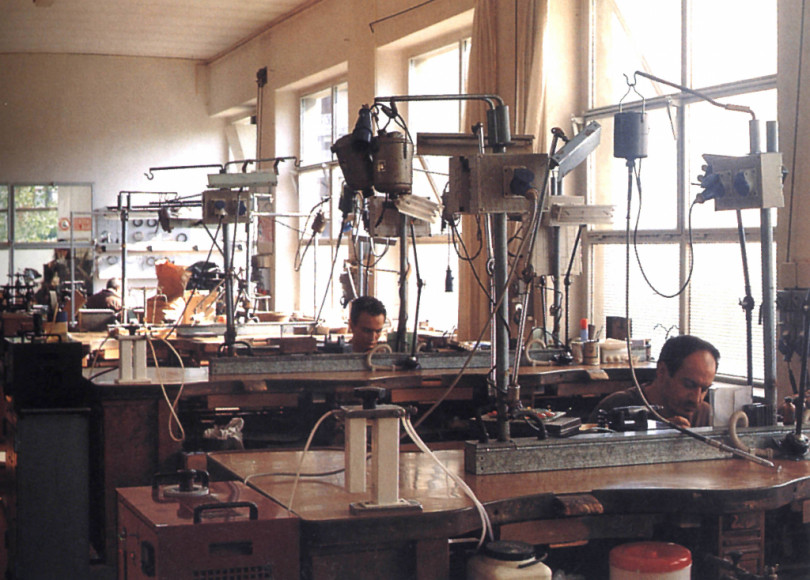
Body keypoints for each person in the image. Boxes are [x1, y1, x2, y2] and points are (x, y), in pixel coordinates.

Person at [588, 334, 720, 428]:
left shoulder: (706, 415)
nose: (696, 400)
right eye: (689, 385)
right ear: (662, 371)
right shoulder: (615, 407)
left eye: (704, 389)